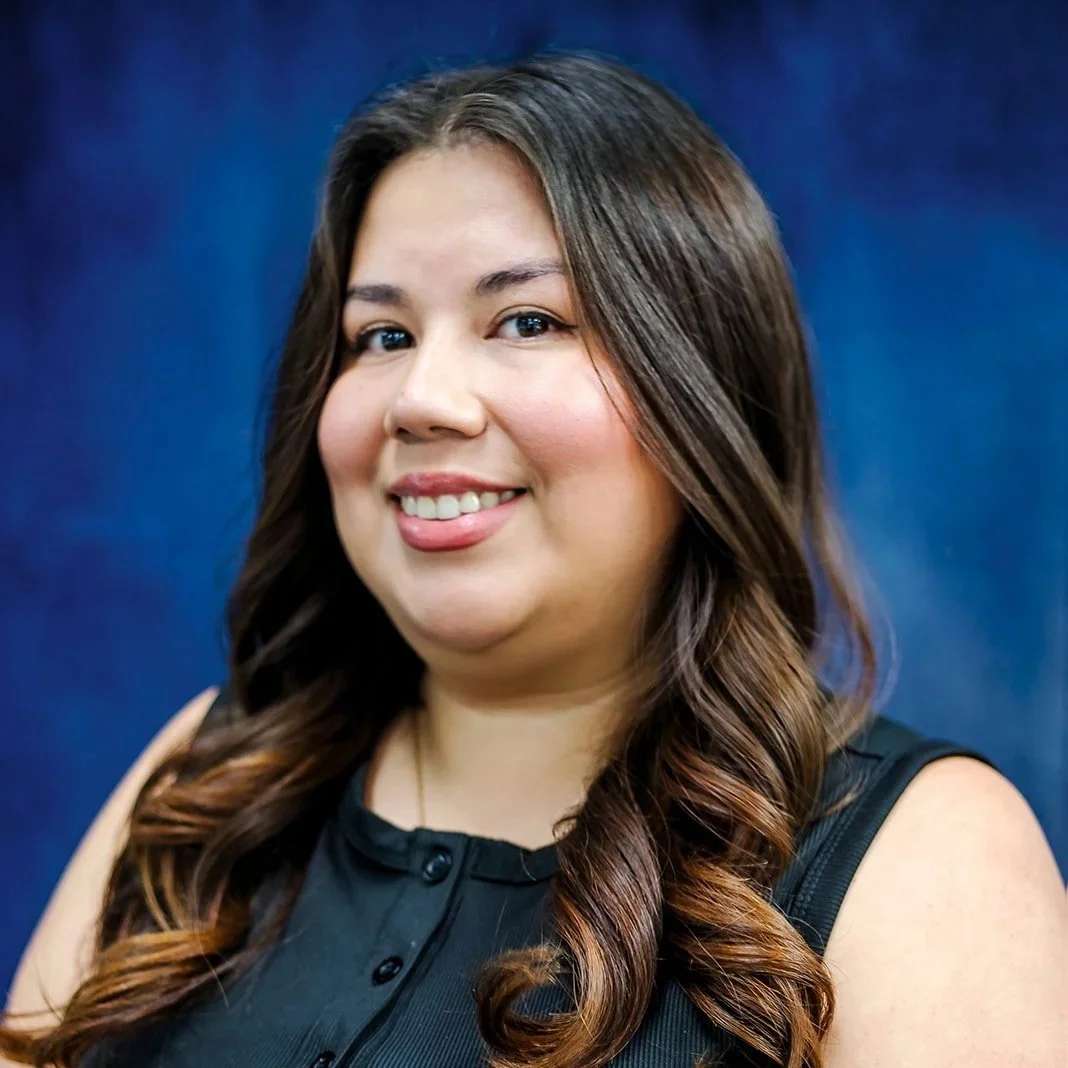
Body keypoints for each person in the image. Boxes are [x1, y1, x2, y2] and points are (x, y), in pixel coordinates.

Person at [2, 50, 1063, 1068]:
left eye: (525, 320)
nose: (422, 399)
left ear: (703, 391)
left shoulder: (922, 854)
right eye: (381, 337)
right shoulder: (202, 782)